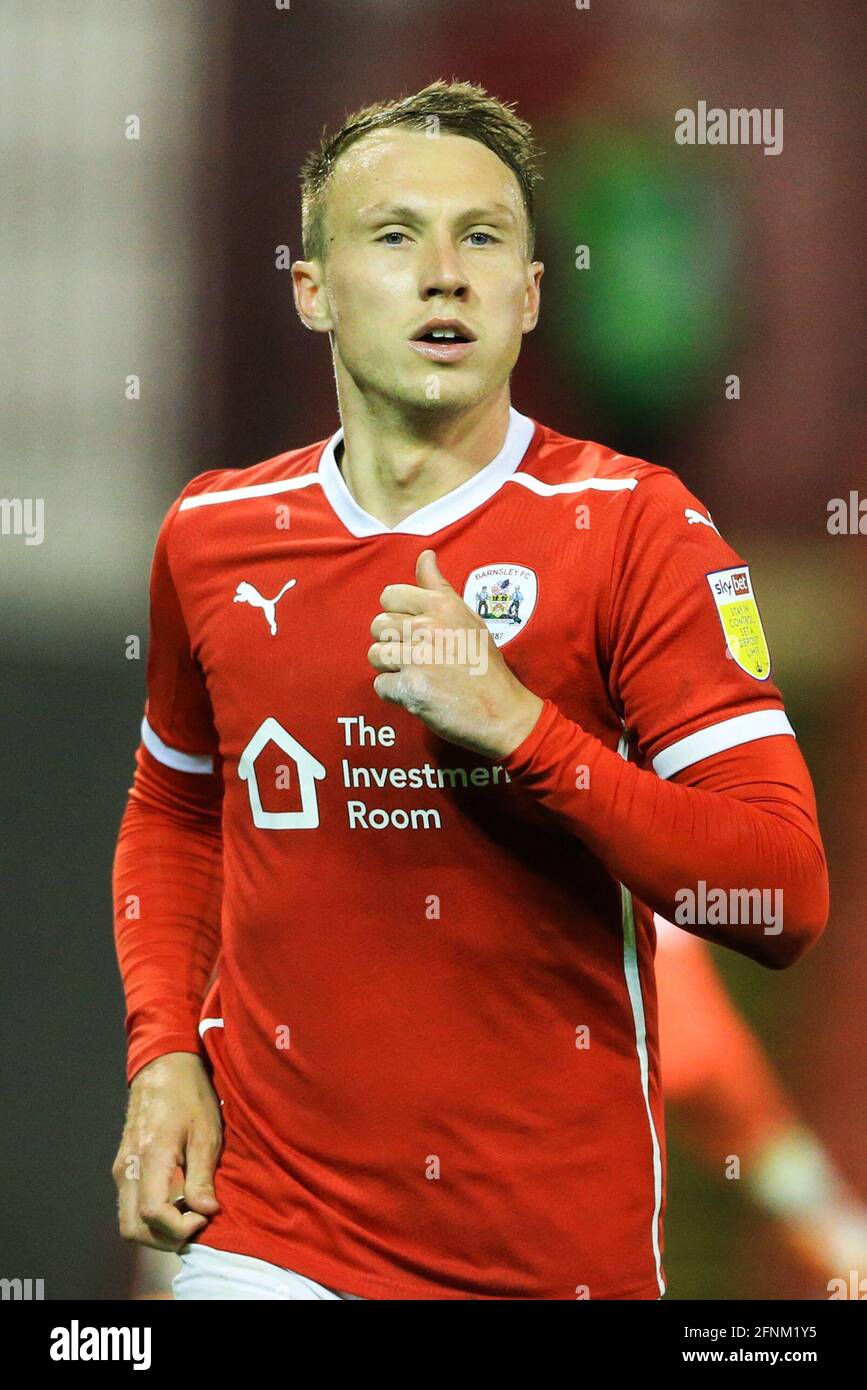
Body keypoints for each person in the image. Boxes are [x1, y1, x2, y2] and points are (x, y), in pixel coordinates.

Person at [112, 79, 829, 1301]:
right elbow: (177, 814)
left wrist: (523, 732)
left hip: (548, 1260)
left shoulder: (636, 529)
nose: (444, 273)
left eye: (483, 238)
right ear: (313, 289)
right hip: (271, 1240)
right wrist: (166, 1054)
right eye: (394, 236)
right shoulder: (212, 533)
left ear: (529, 295)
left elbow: (782, 890)